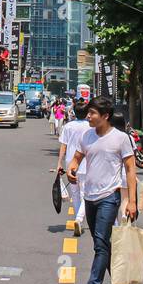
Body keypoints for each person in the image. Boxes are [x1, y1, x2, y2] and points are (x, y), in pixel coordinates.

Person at [67, 97, 138, 284]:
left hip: (110, 196)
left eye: (92, 113)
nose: (88, 116)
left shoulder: (121, 138)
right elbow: (78, 158)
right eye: (88, 113)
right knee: (103, 243)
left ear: (105, 116)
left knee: (99, 243)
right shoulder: (86, 135)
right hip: (89, 196)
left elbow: (130, 169)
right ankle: (118, 281)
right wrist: (72, 167)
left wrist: (132, 201)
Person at [57, 100, 90, 235]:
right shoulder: (90, 126)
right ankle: (79, 219)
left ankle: (78, 220)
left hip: (71, 162)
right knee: (86, 194)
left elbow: (63, 146)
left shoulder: (68, 126)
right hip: (86, 162)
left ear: (74, 113)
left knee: (75, 194)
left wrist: (59, 162)